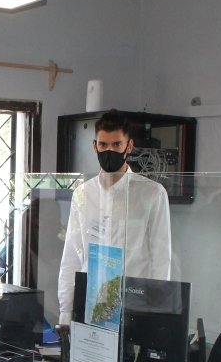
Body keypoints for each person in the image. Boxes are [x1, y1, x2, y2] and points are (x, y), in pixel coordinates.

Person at [58, 109, 171, 324]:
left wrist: (155, 314)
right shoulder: (82, 194)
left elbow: (160, 259)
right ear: (95, 146)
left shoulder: (151, 194)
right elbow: (71, 256)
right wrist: (65, 312)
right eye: (103, 145)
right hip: (90, 301)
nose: (109, 151)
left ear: (129, 146)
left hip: (132, 305)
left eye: (117, 144)